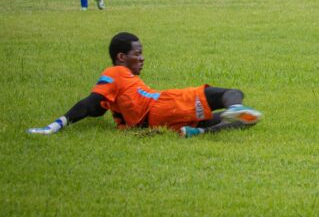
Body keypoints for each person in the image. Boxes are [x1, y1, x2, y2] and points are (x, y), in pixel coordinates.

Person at [27, 32, 263, 138]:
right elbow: (90, 103)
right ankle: (233, 109)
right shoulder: (116, 72)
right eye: (137, 54)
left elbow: (97, 108)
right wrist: (55, 126)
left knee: (245, 121)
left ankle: (198, 131)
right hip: (162, 105)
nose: (141, 58)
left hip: (157, 121)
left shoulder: (122, 83)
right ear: (121, 57)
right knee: (233, 93)